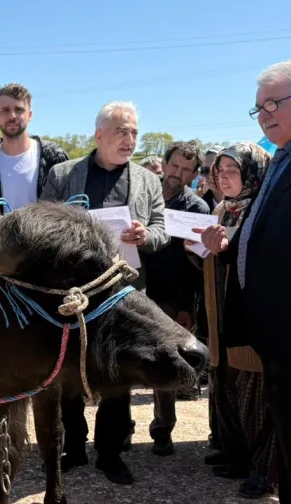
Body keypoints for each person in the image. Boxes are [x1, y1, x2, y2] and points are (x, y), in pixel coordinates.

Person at [40, 100, 169, 485]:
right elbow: (43, 221)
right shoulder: (64, 174)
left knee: (118, 375)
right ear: (99, 135)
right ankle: (73, 447)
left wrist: (147, 236)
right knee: (68, 373)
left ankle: (110, 453)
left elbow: (162, 227)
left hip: (123, 295)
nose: (130, 139)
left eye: (134, 132)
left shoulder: (148, 180)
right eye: (121, 131)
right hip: (75, 292)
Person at [197, 60, 291, 502]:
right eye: (259, 108)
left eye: (274, 102)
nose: (265, 113)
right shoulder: (281, 162)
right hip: (266, 325)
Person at [188, 142, 277, 499]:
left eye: (232, 172)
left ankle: (265, 470)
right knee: (226, 383)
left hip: (251, 317)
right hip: (219, 313)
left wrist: (224, 250)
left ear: (252, 174)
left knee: (255, 393)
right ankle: (237, 455)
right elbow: (212, 259)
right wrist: (197, 251)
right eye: (219, 172)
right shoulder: (222, 209)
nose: (222, 178)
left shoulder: (264, 208)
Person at [143, 141, 209, 457]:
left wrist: (186, 307)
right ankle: (120, 430)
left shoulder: (197, 209)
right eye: (174, 166)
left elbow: (195, 268)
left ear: (194, 173)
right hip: (136, 291)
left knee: (166, 366)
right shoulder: (141, 195)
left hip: (171, 299)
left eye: (186, 170)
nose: (177, 174)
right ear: (164, 164)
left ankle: (162, 430)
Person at [0, 83, 69, 210]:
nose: (12, 116)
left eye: (19, 110)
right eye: (5, 110)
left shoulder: (55, 159)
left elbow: (70, 209)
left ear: (30, 115)